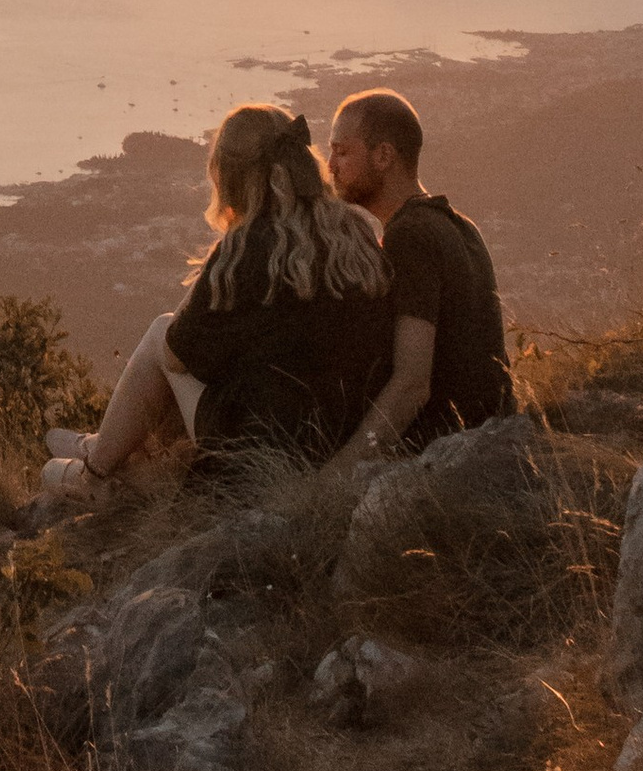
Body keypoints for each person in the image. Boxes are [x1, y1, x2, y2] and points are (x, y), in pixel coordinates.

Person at [39, 102, 392, 497]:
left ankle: (94, 474)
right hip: (337, 441)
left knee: (160, 332)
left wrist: (223, 251)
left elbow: (176, 353)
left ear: (234, 178)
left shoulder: (249, 247)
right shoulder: (354, 230)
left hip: (263, 452)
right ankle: (104, 447)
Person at [323, 88, 514, 462]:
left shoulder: (410, 236)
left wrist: (340, 472)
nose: (330, 165)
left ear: (383, 156)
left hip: (443, 454)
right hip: (490, 438)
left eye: (341, 152)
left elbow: (412, 384)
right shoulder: (460, 226)